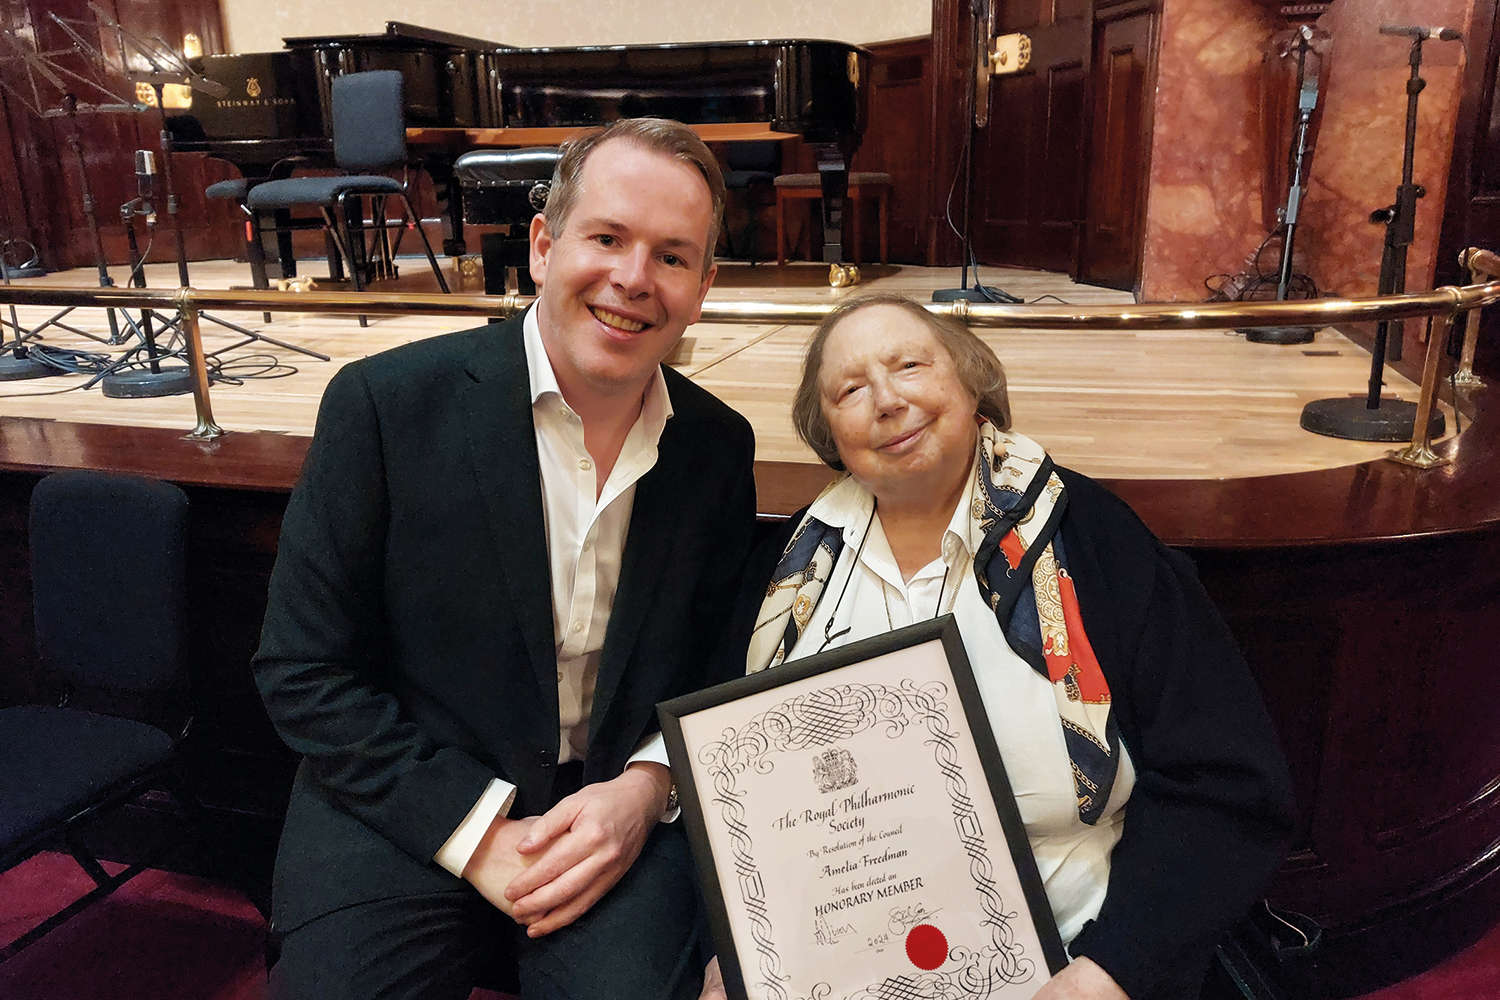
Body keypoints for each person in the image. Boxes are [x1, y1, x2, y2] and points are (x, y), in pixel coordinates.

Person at [253, 117, 757, 1000]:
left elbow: (718, 665)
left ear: (704, 285)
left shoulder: (717, 447)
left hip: (606, 814)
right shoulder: (383, 407)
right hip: (405, 794)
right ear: (542, 243)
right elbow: (302, 668)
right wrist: (475, 831)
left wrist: (645, 791)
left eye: (673, 257)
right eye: (607, 237)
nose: (634, 279)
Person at [699, 294, 1295, 1000]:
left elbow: (1226, 786)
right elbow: (732, 792)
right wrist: (736, 952)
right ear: (827, 430)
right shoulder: (787, 571)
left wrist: (1109, 974)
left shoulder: (1096, 542)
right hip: (840, 968)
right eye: (850, 389)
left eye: (910, 365)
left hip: (1068, 962)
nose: (886, 401)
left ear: (972, 381)